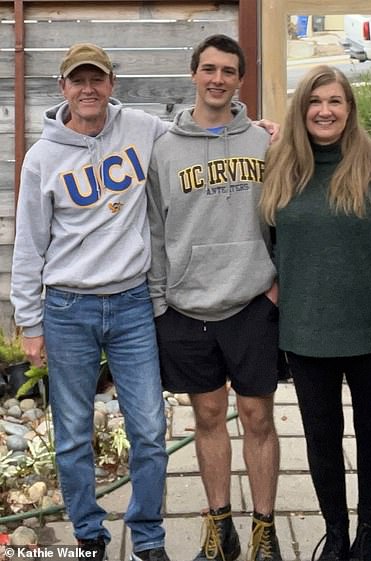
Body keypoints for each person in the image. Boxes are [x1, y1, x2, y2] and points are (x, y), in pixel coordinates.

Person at [10, 43, 171, 561]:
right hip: (66, 309)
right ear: (62, 89)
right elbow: (29, 244)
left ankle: (147, 537)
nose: (88, 89)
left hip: (131, 306)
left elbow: (197, 137)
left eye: (96, 79)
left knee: (149, 428)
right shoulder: (43, 157)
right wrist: (29, 323)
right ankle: (88, 537)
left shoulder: (142, 130)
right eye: (77, 81)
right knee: (73, 433)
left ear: (111, 84)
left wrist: (257, 127)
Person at [146, 34, 282, 561]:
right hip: (187, 308)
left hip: (251, 303)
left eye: (228, 70)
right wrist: (160, 301)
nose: (218, 79)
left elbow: (284, 218)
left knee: (258, 418)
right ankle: (219, 526)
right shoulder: (165, 149)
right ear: (194, 74)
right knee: (206, 418)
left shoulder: (264, 143)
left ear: (240, 79)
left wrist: (276, 286)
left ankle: (264, 531)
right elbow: (155, 230)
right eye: (209, 69)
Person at [260, 65, 371, 561]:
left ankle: (367, 535)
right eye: (315, 102)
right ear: (301, 109)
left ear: (350, 109)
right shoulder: (280, 165)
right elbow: (267, 239)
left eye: (335, 101)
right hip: (306, 327)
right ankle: (335, 534)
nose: (325, 111)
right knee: (321, 437)